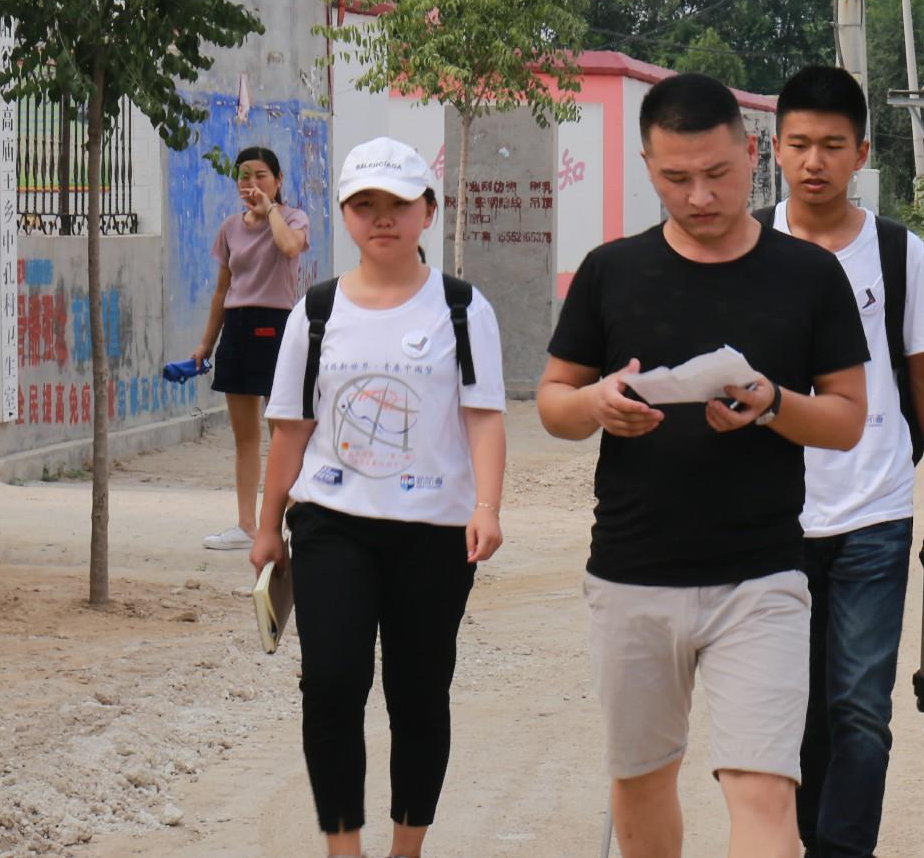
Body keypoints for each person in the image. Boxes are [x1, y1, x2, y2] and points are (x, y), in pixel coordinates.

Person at [538, 72, 870, 858]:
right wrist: (597, 405)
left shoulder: (808, 275)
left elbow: (848, 419)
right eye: (675, 178)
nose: (699, 196)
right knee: (642, 782)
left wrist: (773, 402)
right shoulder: (611, 270)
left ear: (750, 155)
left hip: (761, 577)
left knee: (764, 789)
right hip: (631, 571)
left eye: (717, 175)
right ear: (648, 163)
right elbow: (554, 399)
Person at [249, 136, 507, 858]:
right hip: (333, 523)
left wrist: (487, 506)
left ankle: (406, 847)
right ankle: (343, 846)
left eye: (398, 203)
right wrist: (268, 525)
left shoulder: (462, 308)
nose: (381, 217)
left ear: (429, 209)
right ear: (344, 214)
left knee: (418, 692)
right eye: (365, 204)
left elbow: (484, 415)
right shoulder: (317, 312)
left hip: (435, 530)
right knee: (331, 683)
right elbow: (290, 428)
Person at [763, 65, 924, 858]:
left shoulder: (896, 251)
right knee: (792, 705)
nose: (815, 161)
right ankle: (800, 840)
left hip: (874, 506)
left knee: (857, 704)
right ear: (775, 148)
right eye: (800, 144)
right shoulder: (746, 244)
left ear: (863, 153)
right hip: (770, 511)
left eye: (833, 146)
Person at [195, 145, 311, 550]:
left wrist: (271, 211)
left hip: (278, 326)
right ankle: (246, 526)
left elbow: (289, 248)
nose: (251, 183)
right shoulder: (229, 228)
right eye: (244, 176)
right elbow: (222, 290)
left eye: (261, 175)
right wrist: (206, 344)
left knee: (283, 432)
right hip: (238, 328)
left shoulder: (293, 218)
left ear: (278, 180)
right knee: (245, 438)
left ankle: (288, 522)